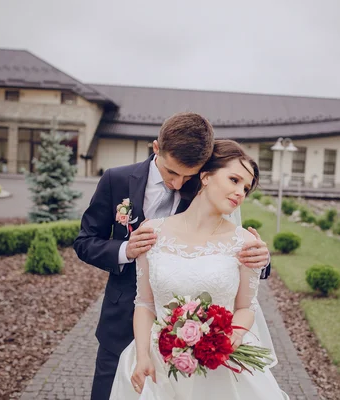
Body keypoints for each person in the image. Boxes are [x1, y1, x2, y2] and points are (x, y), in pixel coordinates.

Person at [73, 113, 271, 400]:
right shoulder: (116, 180)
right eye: (171, 173)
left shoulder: (203, 185)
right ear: (156, 149)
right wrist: (125, 250)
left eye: (188, 177)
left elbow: (228, 250)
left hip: (194, 336)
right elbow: (84, 241)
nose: (178, 184)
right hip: (122, 320)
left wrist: (261, 259)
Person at [109, 140, 288, 399]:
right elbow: (145, 303)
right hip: (160, 363)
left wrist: (228, 340)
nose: (240, 192)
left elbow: (246, 307)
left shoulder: (246, 243)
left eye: (246, 188)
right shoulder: (153, 232)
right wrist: (143, 355)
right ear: (205, 176)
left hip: (219, 365)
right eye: (234, 180)